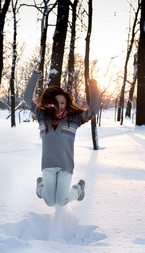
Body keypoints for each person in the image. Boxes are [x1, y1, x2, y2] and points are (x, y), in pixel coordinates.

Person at [24, 70, 101, 207]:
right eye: (56, 102)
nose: (60, 107)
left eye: (63, 103)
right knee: (50, 202)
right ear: (50, 102)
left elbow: (93, 111)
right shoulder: (42, 116)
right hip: (48, 165)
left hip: (65, 165)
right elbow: (27, 100)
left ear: (66, 104)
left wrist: (93, 87)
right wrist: (35, 76)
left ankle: (78, 189)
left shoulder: (74, 119)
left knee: (61, 201)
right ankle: (40, 187)